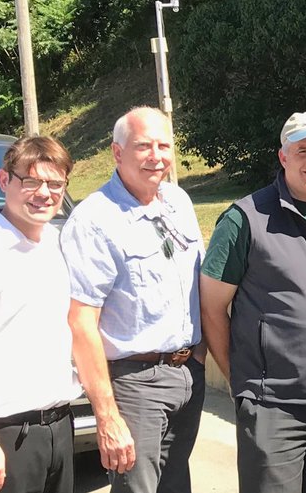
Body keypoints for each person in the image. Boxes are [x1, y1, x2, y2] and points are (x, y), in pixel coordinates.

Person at [200, 112, 306, 493]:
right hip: (273, 408)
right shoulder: (245, 219)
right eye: (303, 150)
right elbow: (212, 307)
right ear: (283, 157)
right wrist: (241, 384)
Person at [61, 106, 205, 493]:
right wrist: (106, 414)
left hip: (187, 374)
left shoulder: (178, 202)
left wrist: (199, 357)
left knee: (176, 485)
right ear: (117, 152)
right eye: (143, 146)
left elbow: (197, 286)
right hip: (134, 383)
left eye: (163, 145)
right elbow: (80, 322)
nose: (156, 156)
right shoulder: (94, 220)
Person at [0, 137, 82, 493]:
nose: (44, 193)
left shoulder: (60, 247)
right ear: (4, 181)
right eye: (31, 181)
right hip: (3, 436)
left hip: (60, 427)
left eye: (55, 183)